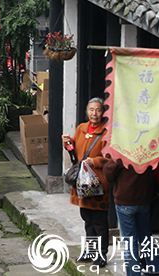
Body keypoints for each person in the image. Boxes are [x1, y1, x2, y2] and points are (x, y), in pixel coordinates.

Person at [61, 97, 110, 267]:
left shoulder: (107, 131)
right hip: (82, 182)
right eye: (91, 110)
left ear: (103, 112)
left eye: (97, 110)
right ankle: (90, 251)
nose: (94, 113)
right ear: (87, 112)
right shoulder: (81, 128)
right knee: (87, 219)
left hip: (98, 183)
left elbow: (111, 158)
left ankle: (101, 254)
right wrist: (67, 143)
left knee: (99, 221)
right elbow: (74, 153)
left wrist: (95, 162)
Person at [103, 160, 159, 276]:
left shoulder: (122, 153)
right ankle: (155, 270)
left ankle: (134, 273)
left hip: (125, 202)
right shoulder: (148, 153)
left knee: (130, 242)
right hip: (144, 200)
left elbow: (109, 175)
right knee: (145, 237)